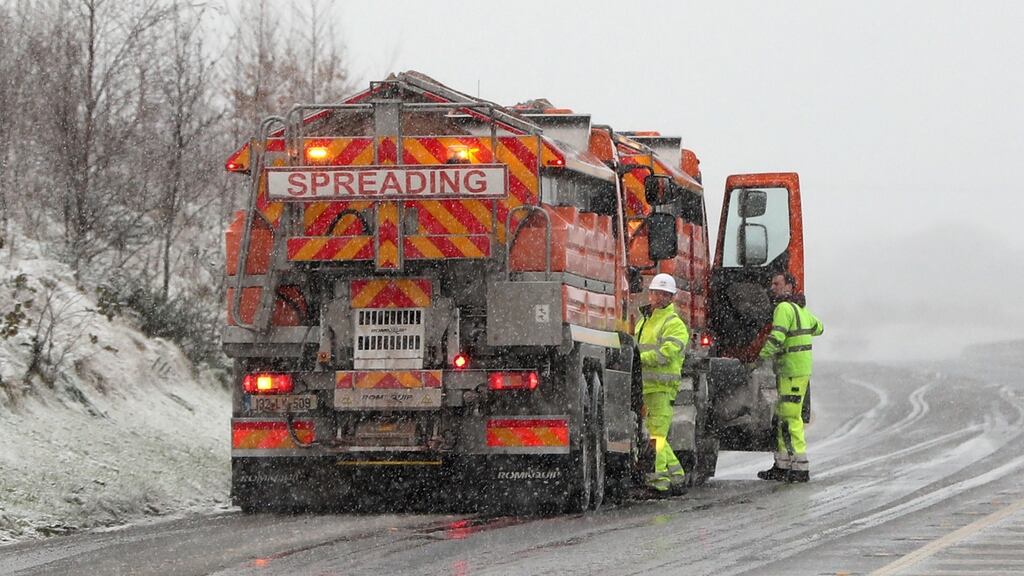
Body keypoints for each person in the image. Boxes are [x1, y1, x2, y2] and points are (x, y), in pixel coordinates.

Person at [756, 272, 824, 483]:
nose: (772, 287)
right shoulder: (799, 309)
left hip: (791, 370)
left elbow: (777, 337)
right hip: (798, 370)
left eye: (777, 283)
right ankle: (783, 464)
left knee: (789, 418)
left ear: (789, 287)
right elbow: (819, 327)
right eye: (772, 283)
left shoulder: (784, 309)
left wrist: (761, 357)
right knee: (784, 417)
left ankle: (799, 467)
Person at [634, 273, 690, 495]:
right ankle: (676, 477)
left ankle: (659, 483)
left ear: (672, 298)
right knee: (657, 437)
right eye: (656, 293)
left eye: (665, 294)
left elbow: (665, 354)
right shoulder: (644, 320)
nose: (659, 298)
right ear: (649, 294)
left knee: (656, 437)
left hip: (661, 389)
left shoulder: (674, 324)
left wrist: (638, 361)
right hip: (646, 388)